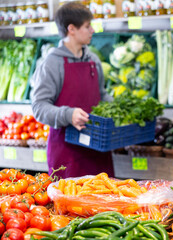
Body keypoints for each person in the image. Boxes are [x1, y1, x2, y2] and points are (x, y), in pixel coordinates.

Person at [31, 2, 114, 179]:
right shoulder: (52, 63)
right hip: (66, 154)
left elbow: (101, 95)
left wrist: (119, 109)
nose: (92, 30)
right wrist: (68, 114)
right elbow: (39, 107)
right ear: (71, 29)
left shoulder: (93, 59)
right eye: (87, 26)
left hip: (97, 149)